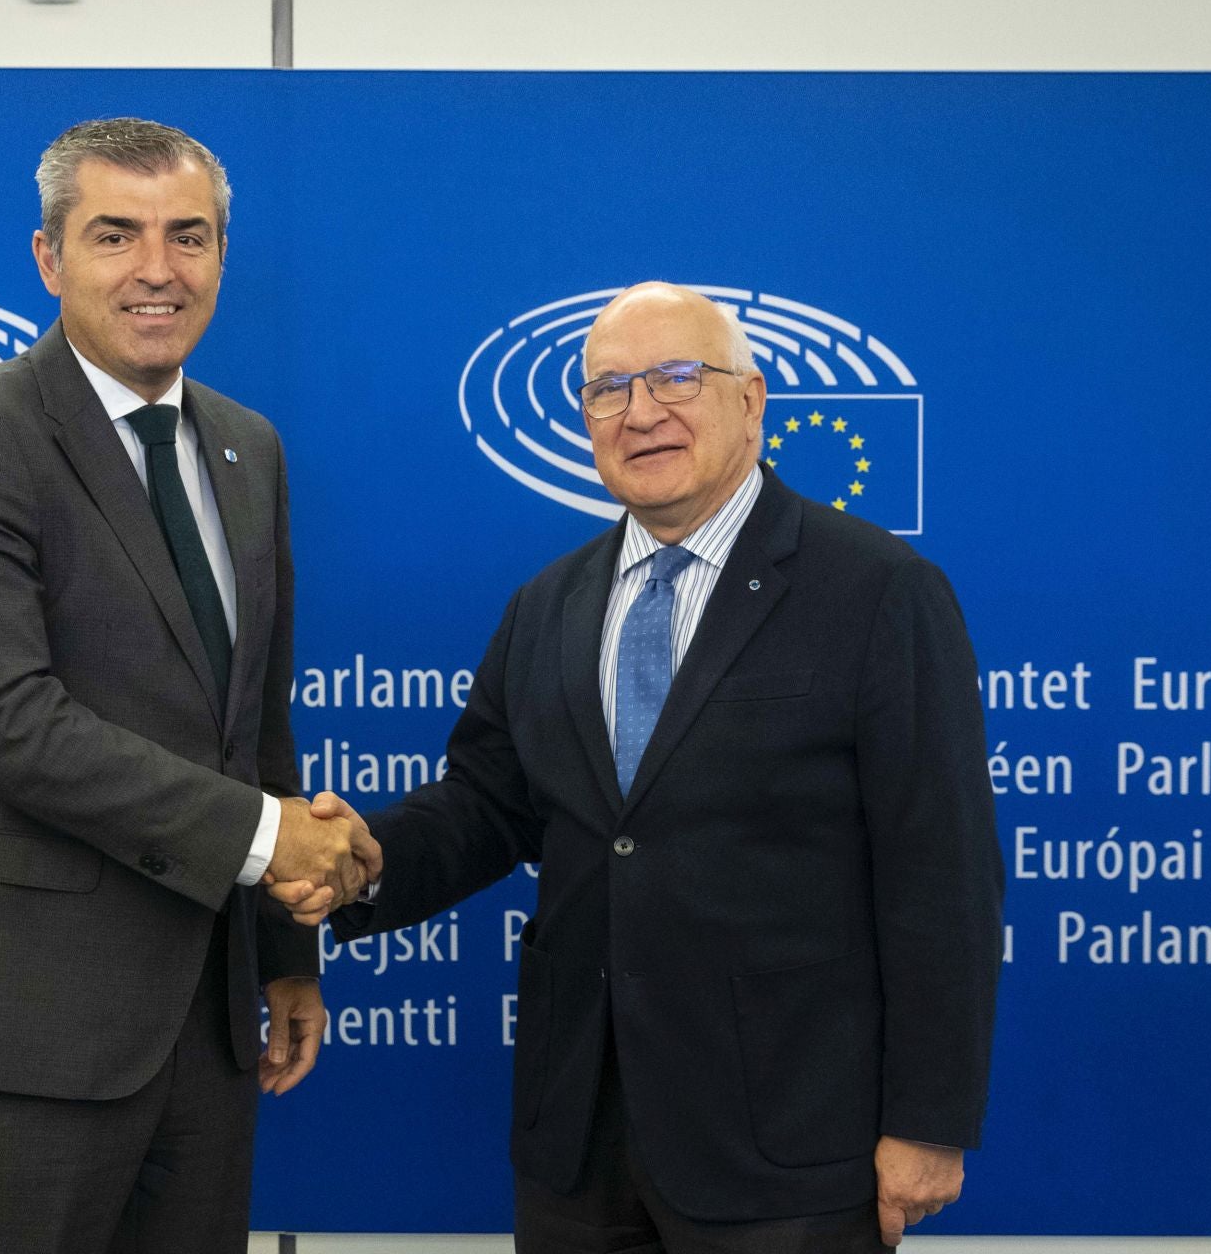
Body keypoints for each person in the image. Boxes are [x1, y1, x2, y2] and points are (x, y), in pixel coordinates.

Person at [281, 283, 1003, 1251]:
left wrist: (928, 1120)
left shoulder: (878, 592)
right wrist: (367, 859)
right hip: (578, 1138)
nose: (642, 411)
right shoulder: (550, 604)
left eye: (675, 377)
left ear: (751, 400)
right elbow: (488, 802)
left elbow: (942, 873)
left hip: (791, 1144)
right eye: (608, 388)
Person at [0, 117, 368, 1253]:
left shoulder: (249, 446)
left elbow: (254, 724)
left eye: (189, 237)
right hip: (16, 1026)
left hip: (204, 1022)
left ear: (223, 257)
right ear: (49, 259)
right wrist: (263, 837)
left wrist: (285, 953)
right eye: (114, 235)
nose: (156, 269)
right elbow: (1, 721)